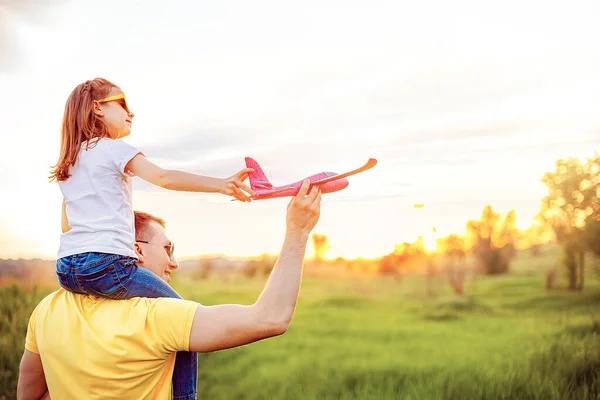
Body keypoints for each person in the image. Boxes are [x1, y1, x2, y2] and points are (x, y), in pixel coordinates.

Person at [17, 179, 321, 399]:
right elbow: (271, 319)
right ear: (136, 250)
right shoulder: (157, 316)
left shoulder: (48, 309)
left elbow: (30, 392)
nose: (173, 262)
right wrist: (298, 230)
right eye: (167, 248)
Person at [48, 77, 256, 398]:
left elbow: (67, 224)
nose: (132, 113)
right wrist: (220, 184)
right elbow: (163, 177)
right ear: (97, 109)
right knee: (185, 321)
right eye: (123, 104)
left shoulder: (71, 161)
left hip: (67, 270)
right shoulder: (115, 149)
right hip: (108, 266)